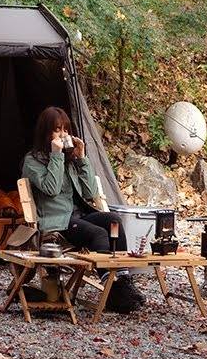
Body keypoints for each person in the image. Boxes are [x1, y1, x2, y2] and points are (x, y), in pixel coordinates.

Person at [21, 106, 145, 312]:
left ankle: (122, 282)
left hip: (78, 216)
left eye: (66, 130)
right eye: (57, 130)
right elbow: (51, 189)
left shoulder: (68, 159)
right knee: (98, 234)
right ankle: (114, 292)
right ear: (45, 132)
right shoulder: (33, 161)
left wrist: (81, 158)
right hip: (57, 221)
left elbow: (90, 193)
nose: (63, 134)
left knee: (113, 220)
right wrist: (56, 155)